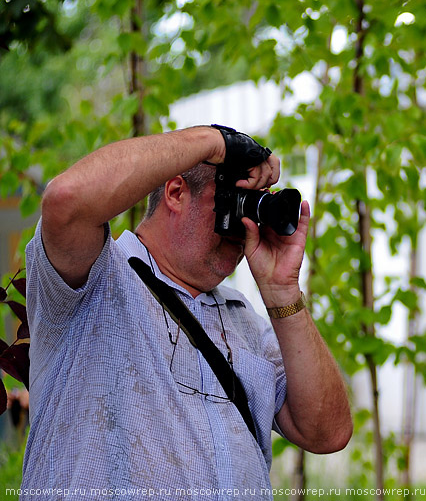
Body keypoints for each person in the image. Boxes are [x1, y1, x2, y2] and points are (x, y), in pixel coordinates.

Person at [23, 125, 352, 497]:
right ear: (176, 192)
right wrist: (215, 142)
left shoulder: (245, 322)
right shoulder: (96, 278)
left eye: (253, 203)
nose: (244, 221)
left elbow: (329, 433)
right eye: (232, 197)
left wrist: (282, 291)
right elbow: (66, 199)